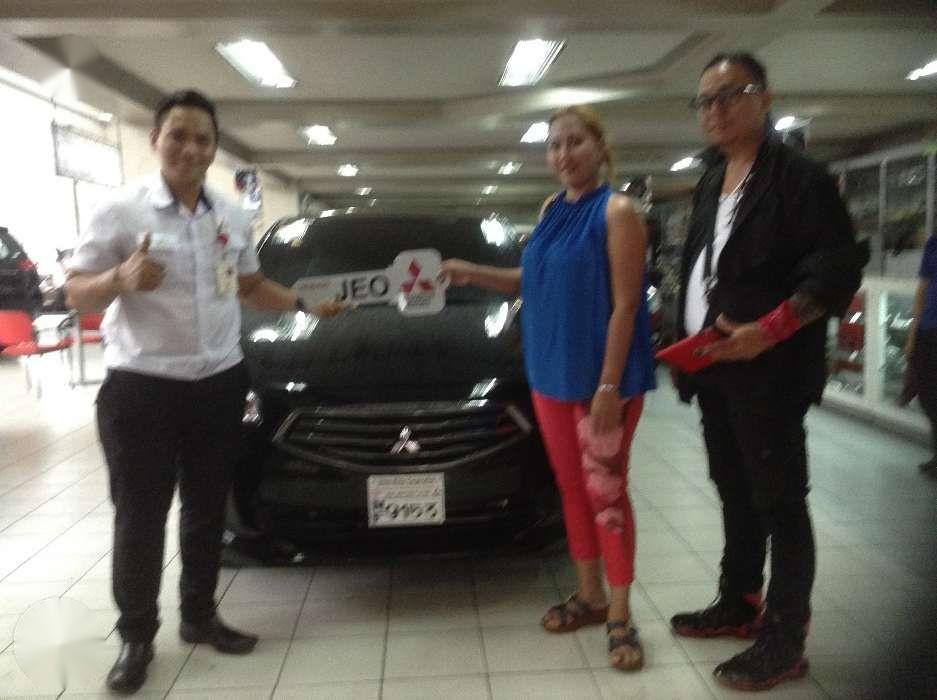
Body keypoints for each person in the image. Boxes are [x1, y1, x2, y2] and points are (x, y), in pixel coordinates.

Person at [65, 90, 343, 694]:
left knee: (206, 510)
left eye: (202, 139)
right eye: (178, 135)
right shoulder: (120, 210)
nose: (190, 148)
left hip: (218, 383)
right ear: (155, 140)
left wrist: (302, 302)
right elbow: (75, 290)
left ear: (215, 148)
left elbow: (249, 285)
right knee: (140, 516)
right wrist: (119, 277)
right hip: (142, 386)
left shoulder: (231, 215)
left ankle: (198, 616)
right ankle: (137, 636)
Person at [668, 54, 866, 691]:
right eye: (705, 100)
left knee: (780, 500)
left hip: (770, 373)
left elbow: (836, 271)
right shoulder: (711, 180)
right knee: (734, 488)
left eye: (731, 94)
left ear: (765, 98)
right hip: (712, 367)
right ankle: (739, 600)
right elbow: (705, 268)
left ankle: (784, 637)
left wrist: (771, 329)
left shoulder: (801, 179)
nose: (715, 110)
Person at [441, 105, 656, 671]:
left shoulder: (618, 212)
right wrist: (472, 272)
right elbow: (530, 281)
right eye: (554, 144)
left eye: (575, 141)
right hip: (550, 374)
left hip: (601, 381)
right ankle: (588, 595)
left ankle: (620, 614)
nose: (564, 154)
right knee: (571, 489)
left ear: (600, 147)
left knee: (607, 493)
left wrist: (608, 385)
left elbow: (628, 305)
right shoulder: (550, 210)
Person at [905, 233, 937, 477]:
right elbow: (922, 290)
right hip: (928, 329)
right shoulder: (933, 244)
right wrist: (912, 335)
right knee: (928, 395)